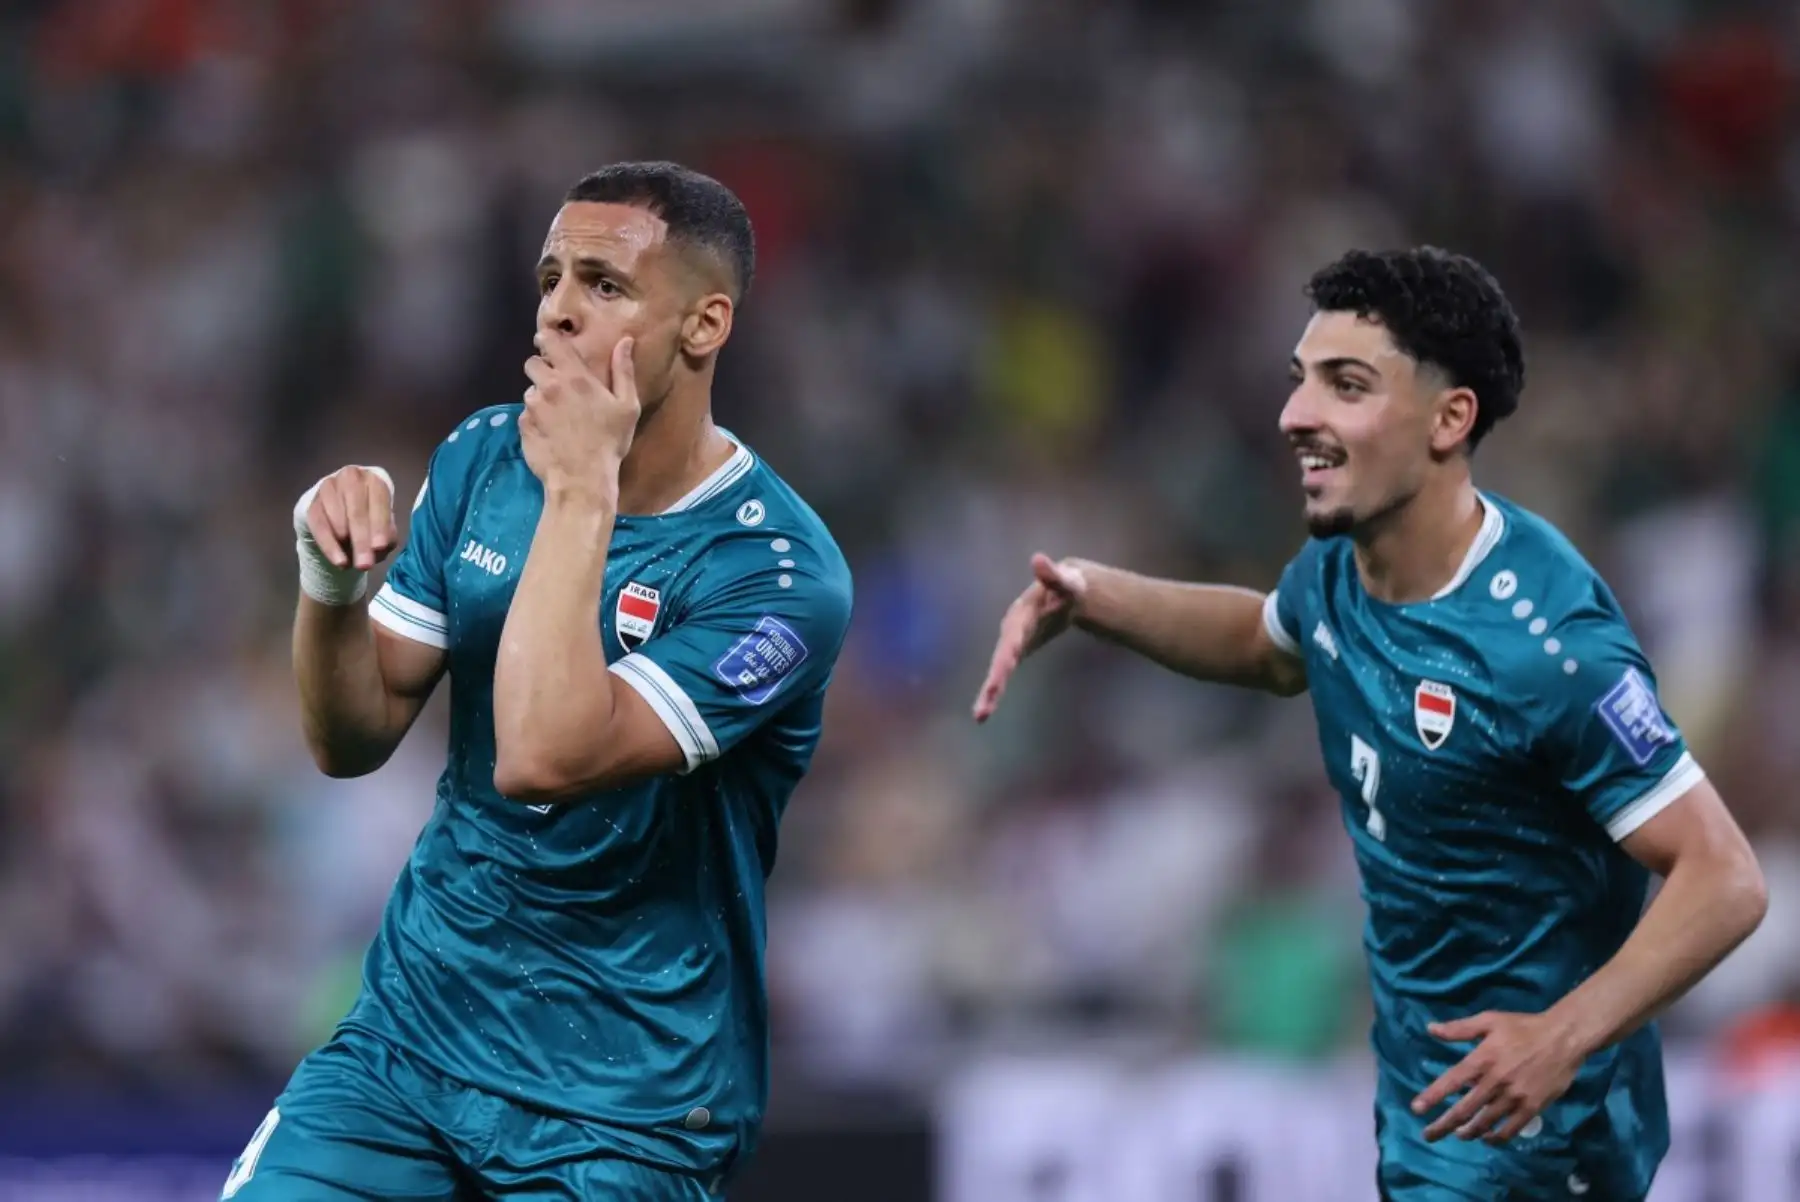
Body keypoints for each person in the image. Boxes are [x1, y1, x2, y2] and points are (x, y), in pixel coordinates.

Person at [973, 247, 1768, 1202]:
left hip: (1535, 1142)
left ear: (1449, 418)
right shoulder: (1342, 569)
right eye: (1300, 381)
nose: (1296, 415)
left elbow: (1723, 876)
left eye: (1345, 385)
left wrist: (1558, 1036)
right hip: (1427, 1117)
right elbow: (1271, 643)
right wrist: (1094, 596)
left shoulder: (1548, 648)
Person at [225, 162, 854, 1201]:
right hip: (408, 1049)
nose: (558, 309)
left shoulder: (778, 575)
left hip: (625, 1108)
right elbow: (352, 734)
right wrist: (329, 585)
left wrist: (579, 489)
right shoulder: (482, 459)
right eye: (551, 277)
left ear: (704, 326)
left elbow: (545, 755)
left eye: (604, 285)